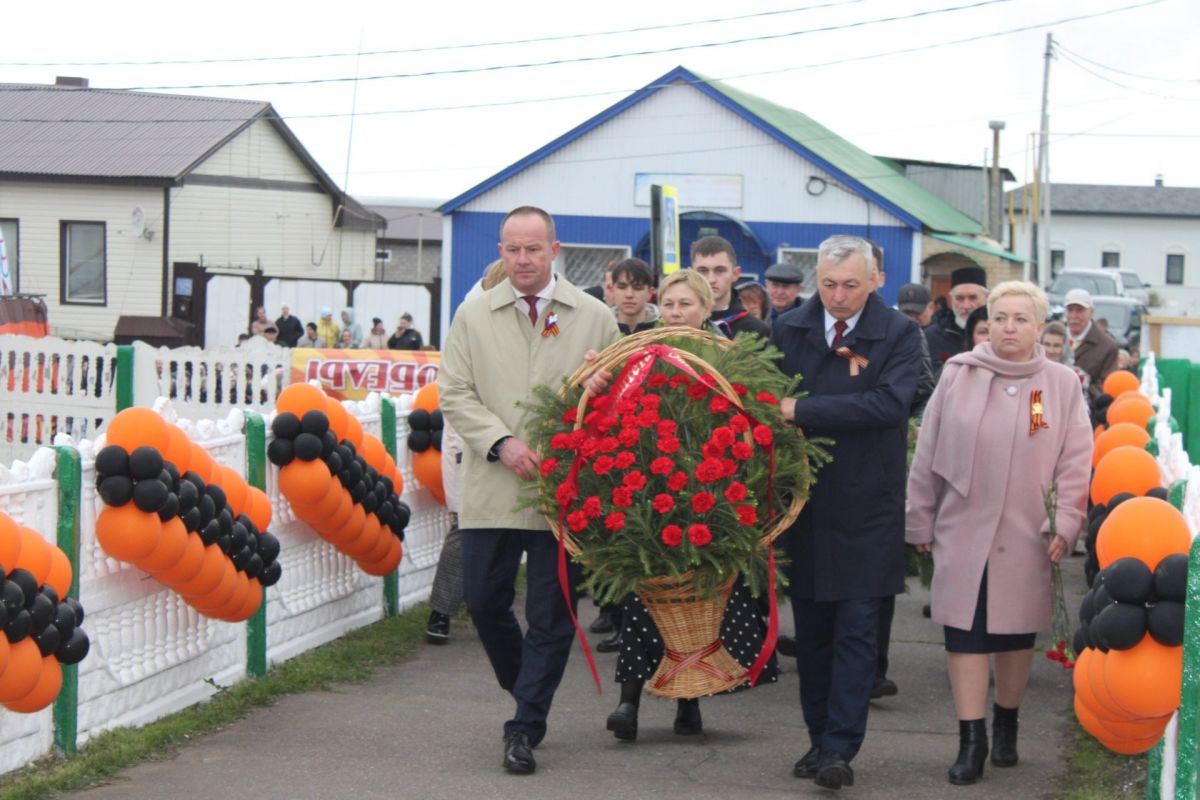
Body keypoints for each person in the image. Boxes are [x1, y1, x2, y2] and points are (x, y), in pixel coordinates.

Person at [439, 206, 620, 775]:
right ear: (500, 251)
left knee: (552, 615)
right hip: (493, 483)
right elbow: (455, 393)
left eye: (533, 249)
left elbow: (621, 404)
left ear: (554, 250)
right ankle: (526, 689)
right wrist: (502, 443)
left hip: (562, 492)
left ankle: (525, 725)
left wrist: (603, 385)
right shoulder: (473, 314)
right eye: (512, 249)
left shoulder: (594, 318)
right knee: (486, 600)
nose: (522, 260)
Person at [906, 281, 1091, 785]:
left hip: (1028, 532)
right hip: (963, 529)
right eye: (1001, 318)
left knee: (1013, 634)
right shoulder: (957, 375)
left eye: (1021, 319)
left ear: (1038, 327)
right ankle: (972, 738)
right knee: (963, 636)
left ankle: (1006, 720)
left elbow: (1076, 461)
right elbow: (929, 451)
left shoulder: (1059, 384)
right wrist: (918, 516)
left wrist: (1065, 522)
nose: (1009, 328)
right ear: (987, 323)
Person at [587, 269, 777, 741]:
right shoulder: (640, 351)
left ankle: (690, 701)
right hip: (649, 489)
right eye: (669, 304)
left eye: (685, 304)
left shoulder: (722, 353)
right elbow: (611, 407)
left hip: (712, 494)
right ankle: (627, 703)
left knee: (700, 600)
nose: (675, 312)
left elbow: (749, 409)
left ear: (706, 308)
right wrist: (595, 377)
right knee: (644, 598)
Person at [771, 235, 922, 791]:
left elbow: (887, 404)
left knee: (857, 632)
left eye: (851, 286)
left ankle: (840, 747)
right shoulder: (790, 328)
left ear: (875, 280)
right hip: (805, 504)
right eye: (829, 285)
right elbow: (764, 393)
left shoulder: (901, 333)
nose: (838, 297)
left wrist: (801, 410)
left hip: (868, 507)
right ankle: (818, 738)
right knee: (812, 634)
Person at [426, 263, 512, 645]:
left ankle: (489, 610)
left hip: (510, 437)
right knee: (465, 525)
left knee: (508, 530)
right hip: (470, 439)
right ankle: (441, 611)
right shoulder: (472, 322)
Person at [689, 236, 770, 340]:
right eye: (703, 271)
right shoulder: (676, 323)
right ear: (691, 274)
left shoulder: (756, 331)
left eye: (720, 270)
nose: (711, 279)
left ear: (735, 274)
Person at [926, 266, 989, 383]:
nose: (966, 306)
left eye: (973, 298)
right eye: (959, 298)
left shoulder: (998, 334)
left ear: (987, 298)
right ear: (951, 299)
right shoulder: (932, 336)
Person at [1063, 288, 1119, 406]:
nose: (1074, 316)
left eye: (1080, 310)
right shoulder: (1053, 338)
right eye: (1070, 310)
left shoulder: (1108, 346)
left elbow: (1106, 385)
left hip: (1087, 413)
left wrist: (1081, 388)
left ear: (1091, 312)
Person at [896, 282, 937, 422]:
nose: (912, 318)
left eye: (916, 313)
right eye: (906, 313)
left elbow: (924, 391)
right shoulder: (894, 333)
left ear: (930, 308)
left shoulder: (933, 334)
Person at [609, 258, 659, 335]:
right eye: (622, 287)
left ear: (650, 293)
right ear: (612, 290)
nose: (629, 294)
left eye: (637, 288)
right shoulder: (601, 327)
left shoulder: (664, 329)